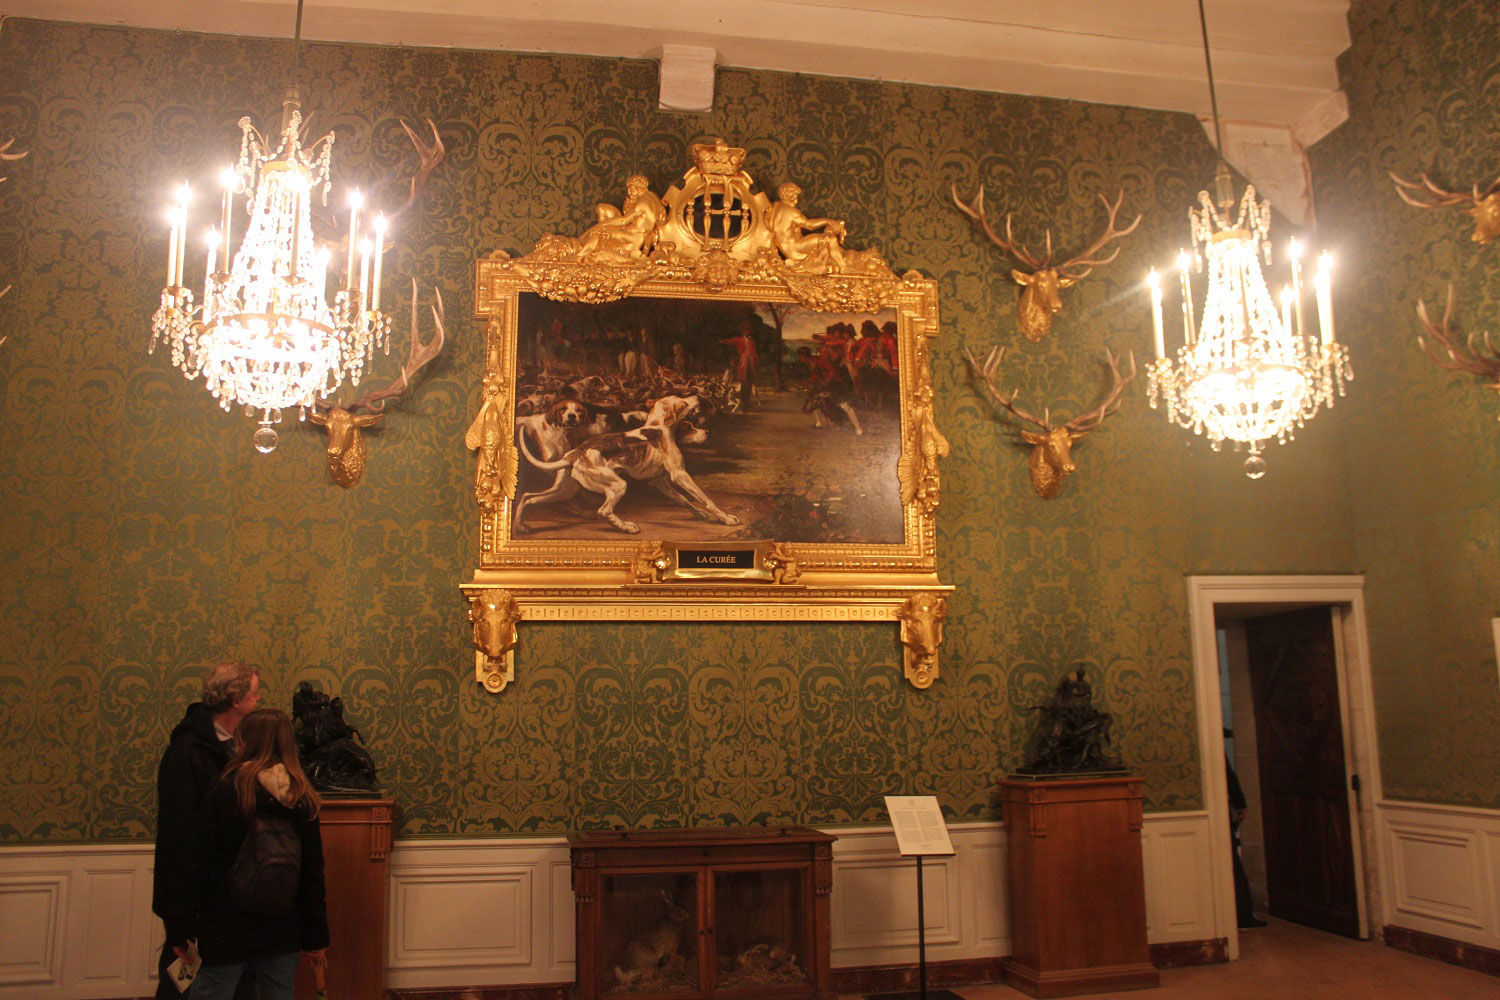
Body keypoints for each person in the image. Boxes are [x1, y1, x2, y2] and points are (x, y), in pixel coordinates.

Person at [175, 708, 330, 1000]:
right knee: (279, 992)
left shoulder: (227, 787)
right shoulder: (302, 798)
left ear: (245, 741)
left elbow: (197, 860)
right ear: (288, 743)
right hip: (282, 922)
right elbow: (312, 875)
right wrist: (316, 937)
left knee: (214, 991)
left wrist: (181, 925)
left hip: (226, 922)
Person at [152, 662, 261, 999]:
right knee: (186, 982)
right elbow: (177, 837)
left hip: (231, 891)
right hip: (198, 894)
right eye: (254, 693)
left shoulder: (237, 746)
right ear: (235, 699)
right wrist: (178, 915)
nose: (259, 699)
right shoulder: (188, 752)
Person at [1226, 753, 1267, 928]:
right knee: (1231, 861)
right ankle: (1242, 915)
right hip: (1221, 809)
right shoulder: (1215, 750)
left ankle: (1240, 914)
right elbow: (1228, 776)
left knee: (1231, 860)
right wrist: (1240, 803)